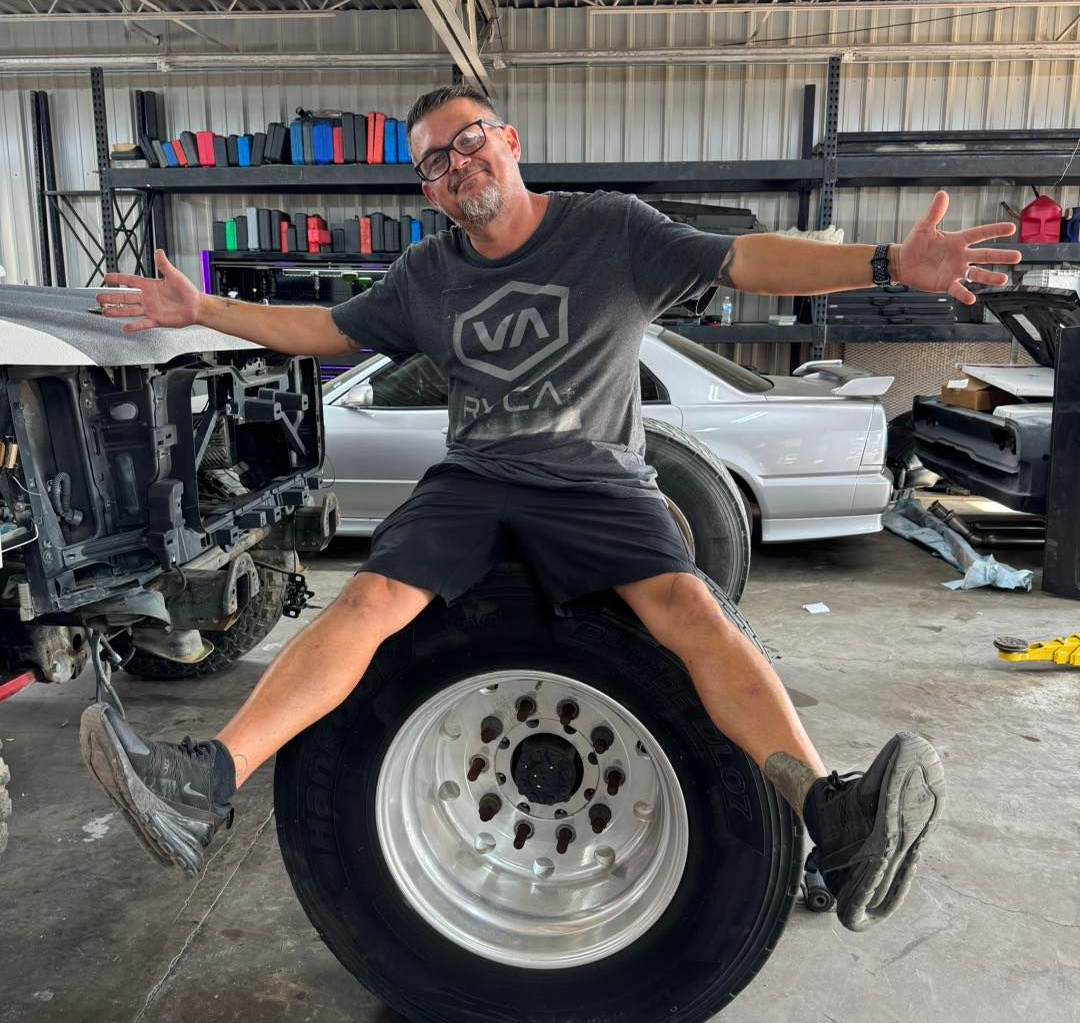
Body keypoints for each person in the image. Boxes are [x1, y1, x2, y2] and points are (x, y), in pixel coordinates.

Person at [81, 84, 1019, 932]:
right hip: (476, 478)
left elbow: (746, 261)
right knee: (366, 603)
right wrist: (200, 307)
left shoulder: (612, 229)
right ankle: (205, 782)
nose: (457, 168)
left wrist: (890, 262)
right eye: (435, 163)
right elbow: (323, 328)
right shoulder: (426, 274)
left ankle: (833, 816)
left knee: (693, 613)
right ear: (429, 191)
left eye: (468, 142)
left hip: (599, 479)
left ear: (509, 141)